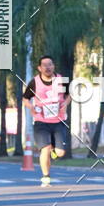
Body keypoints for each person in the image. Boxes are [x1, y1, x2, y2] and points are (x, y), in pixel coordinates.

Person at [23, 55, 70, 186]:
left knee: (60, 153)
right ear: (40, 68)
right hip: (41, 121)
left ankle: (55, 151)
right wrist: (31, 107)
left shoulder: (61, 80)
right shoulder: (35, 82)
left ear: (53, 66)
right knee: (46, 148)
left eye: (50, 64)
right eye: (45, 65)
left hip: (58, 121)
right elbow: (25, 98)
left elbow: (69, 94)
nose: (48, 67)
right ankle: (46, 177)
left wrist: (65, 103)